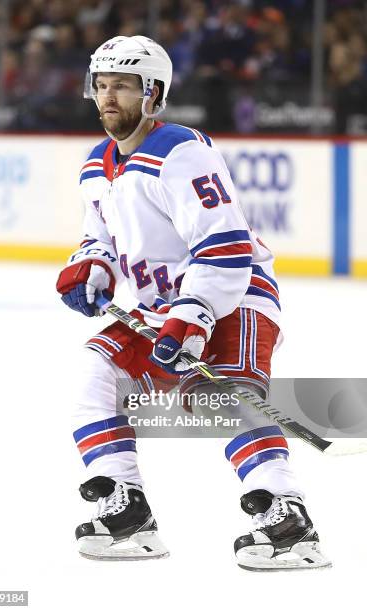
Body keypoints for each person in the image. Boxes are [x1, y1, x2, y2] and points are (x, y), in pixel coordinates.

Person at [56, 35, 330, 570]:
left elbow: (224, 244)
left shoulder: (180, 151)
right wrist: (92, 266)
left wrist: (195, 313)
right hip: (163, 309)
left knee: (222, 397)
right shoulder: (97, 163)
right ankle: (126, 508)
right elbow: (101, 237)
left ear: (152, 93)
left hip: (234, 297)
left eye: (124, 87)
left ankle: (288, 521)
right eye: (102, 86)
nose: (109, 97)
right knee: (98, 370)